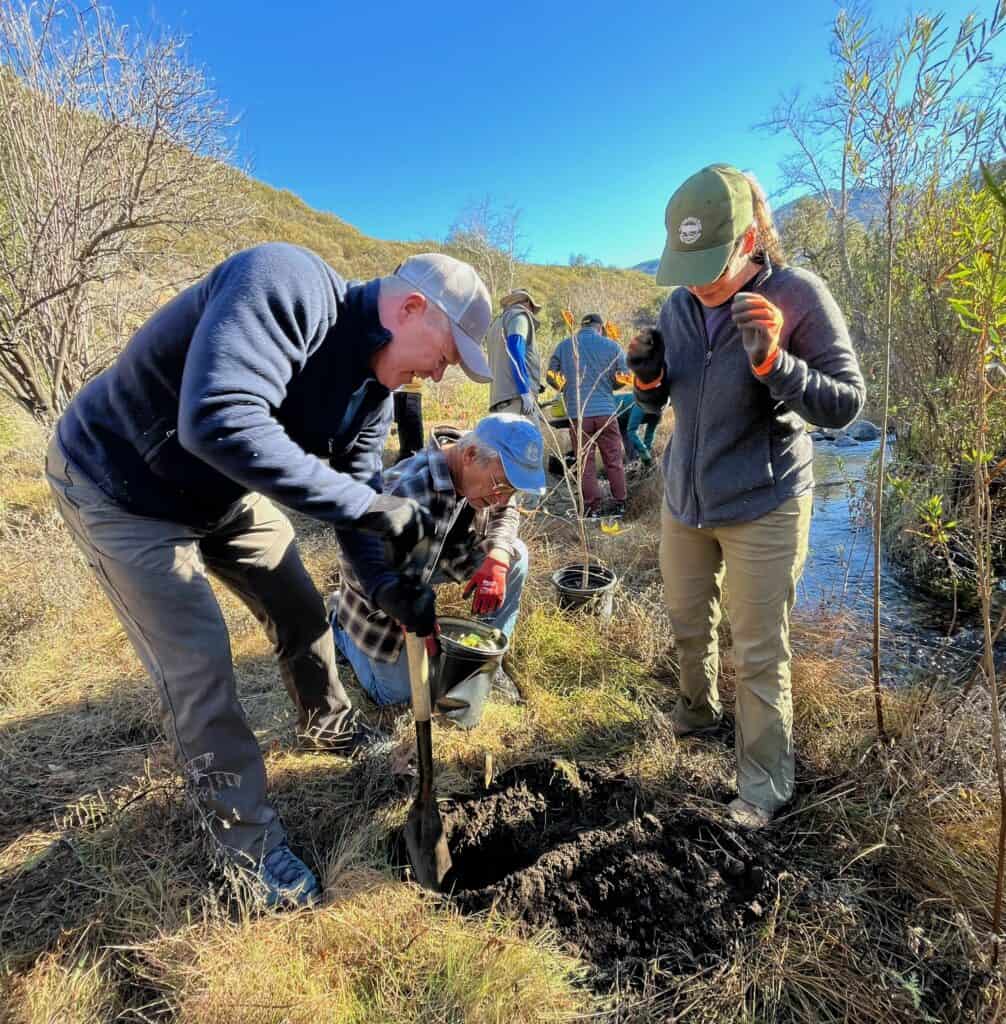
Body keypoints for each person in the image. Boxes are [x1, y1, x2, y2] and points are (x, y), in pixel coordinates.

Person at [44, 243, 493, 906]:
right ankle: (250, 849)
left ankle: (329, 724)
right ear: (411, 307)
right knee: (200, 665)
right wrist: (366, 504)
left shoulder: (372, 397)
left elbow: (361, 516)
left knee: (301, 610)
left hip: (219, 492)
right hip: (120, 486)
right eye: (447, 354)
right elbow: (216, 417)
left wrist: (394, 589)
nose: (440, 374)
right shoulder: (286, 284)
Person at [629, 163, 866, 829]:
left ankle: (764, 783)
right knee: (686, 620)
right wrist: (647, 380)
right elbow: (658, 405)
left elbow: (846, 405)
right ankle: (696, 711)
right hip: (687, 498)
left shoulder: (796, 294)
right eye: (688, 261)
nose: (699, 279)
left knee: (758, 650)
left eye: (712, 260)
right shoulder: (677, 307)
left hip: (766, 501)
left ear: (752, 236)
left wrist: (775, 364)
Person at [331, 413, 544, 726]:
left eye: (510, 489)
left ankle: (487, 662)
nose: (501, 497)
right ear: (470, 456)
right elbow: (355, 564)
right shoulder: (405, 490)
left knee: (516, 556)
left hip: (441, 558)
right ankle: (339, 625)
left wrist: (497, 558)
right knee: (398, 696)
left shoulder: (485, 469)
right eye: (499, 485)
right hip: (390, 581)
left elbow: (505, 509)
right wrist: (403, 609)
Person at [547, 312, 629, 517]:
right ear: (600, 328)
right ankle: (620, 504)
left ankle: (592, 508)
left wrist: (565, 387)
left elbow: (551, 376)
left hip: (578, 414)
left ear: (581, 327)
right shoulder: (612, 346)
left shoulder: (565, 345)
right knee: (613, 458)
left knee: (585, 463)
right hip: (606, 412)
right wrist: (611, 384)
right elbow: (624, 377)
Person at [486, 288, 544, 418]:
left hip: (499, 400)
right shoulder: (519, 316)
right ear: (528, 303)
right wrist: (524, 390)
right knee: (532, 438)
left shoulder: (496, 324)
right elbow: (515, 348)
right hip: (517, 399)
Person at [393, 379, 424, 462]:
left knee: (413, 427)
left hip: (411, 390)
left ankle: (413, 457)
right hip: (396, 390)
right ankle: (405, 454)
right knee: (402, 425)